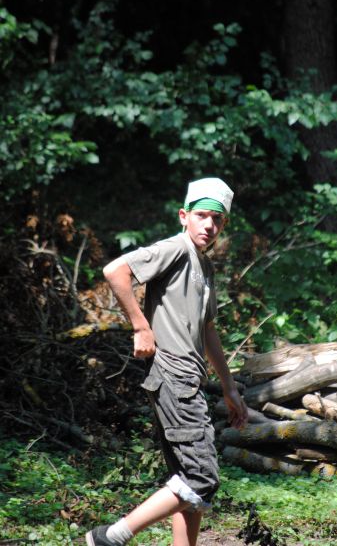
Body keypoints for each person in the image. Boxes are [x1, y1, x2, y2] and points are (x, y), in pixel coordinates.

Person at [85, 177, 248, 546]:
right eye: (202, 215)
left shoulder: (204, 267)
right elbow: (116, 271)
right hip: (173, 376)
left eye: (217, 219)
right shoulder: (176, 248)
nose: (209, 225)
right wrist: (141, 327)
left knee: (186, 479)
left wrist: (228, 387)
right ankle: (111, 537)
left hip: (189, 379)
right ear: (183, 216)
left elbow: (207, 330)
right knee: (202, 478)